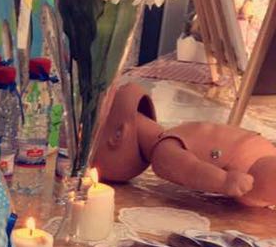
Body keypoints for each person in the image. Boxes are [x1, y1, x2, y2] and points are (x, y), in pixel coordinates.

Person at [94, 83, 276, 208]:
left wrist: (223, 181)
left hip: (247, 165)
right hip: (257, 152)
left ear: (118, 135)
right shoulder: (176, 136)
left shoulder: (164, 151)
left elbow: (193, 171)